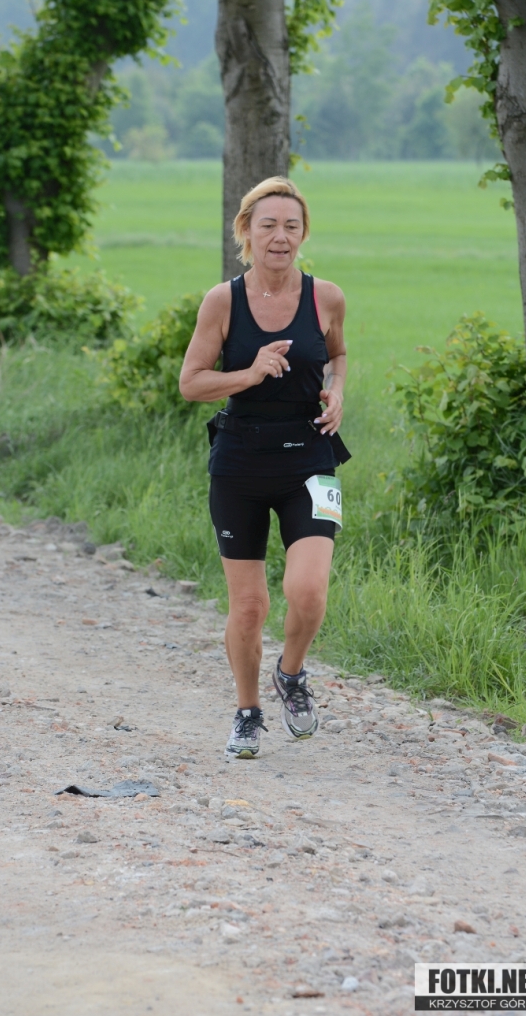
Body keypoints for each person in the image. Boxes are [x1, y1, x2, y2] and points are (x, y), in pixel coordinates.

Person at [179, 175, 349, 761]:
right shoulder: (222, 301)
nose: (280, 236)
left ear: (304, 234)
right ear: (246, 231)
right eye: (268, 225)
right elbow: (191, 382)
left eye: (291, 226)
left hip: (313, 457)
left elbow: (338, 354)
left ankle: (291, 674)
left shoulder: (326, 296)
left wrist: (337, 390)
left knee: (309, 590)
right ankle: (248, 711)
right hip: (240, 462)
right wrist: (248, 374)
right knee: (249, 606)